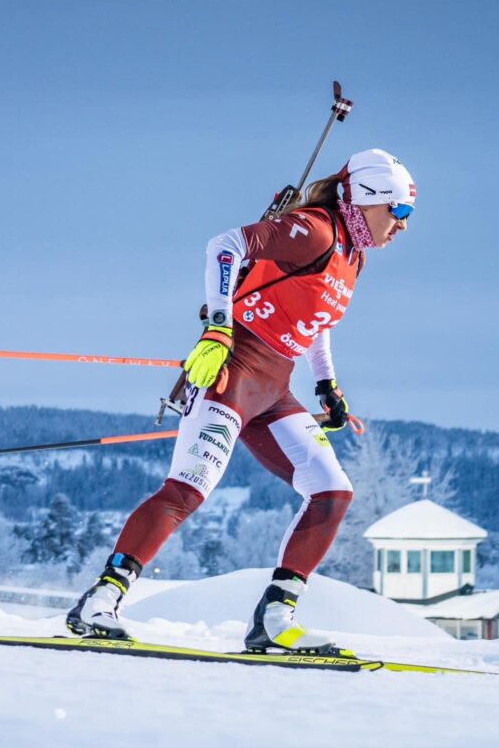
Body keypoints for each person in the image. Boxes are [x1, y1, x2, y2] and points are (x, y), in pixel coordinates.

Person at [67, 149, 416, 654]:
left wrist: (327, 385)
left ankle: (274, 619)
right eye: (398, 210)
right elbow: (225, 245)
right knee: (188, 489)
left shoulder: (352, 255)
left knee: (333, 491)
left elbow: (319, 321)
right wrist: (218, 328)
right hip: (232, 372)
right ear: (367, 199)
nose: (402, 224)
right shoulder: (315, 230)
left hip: (274, 388)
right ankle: (100, 601)